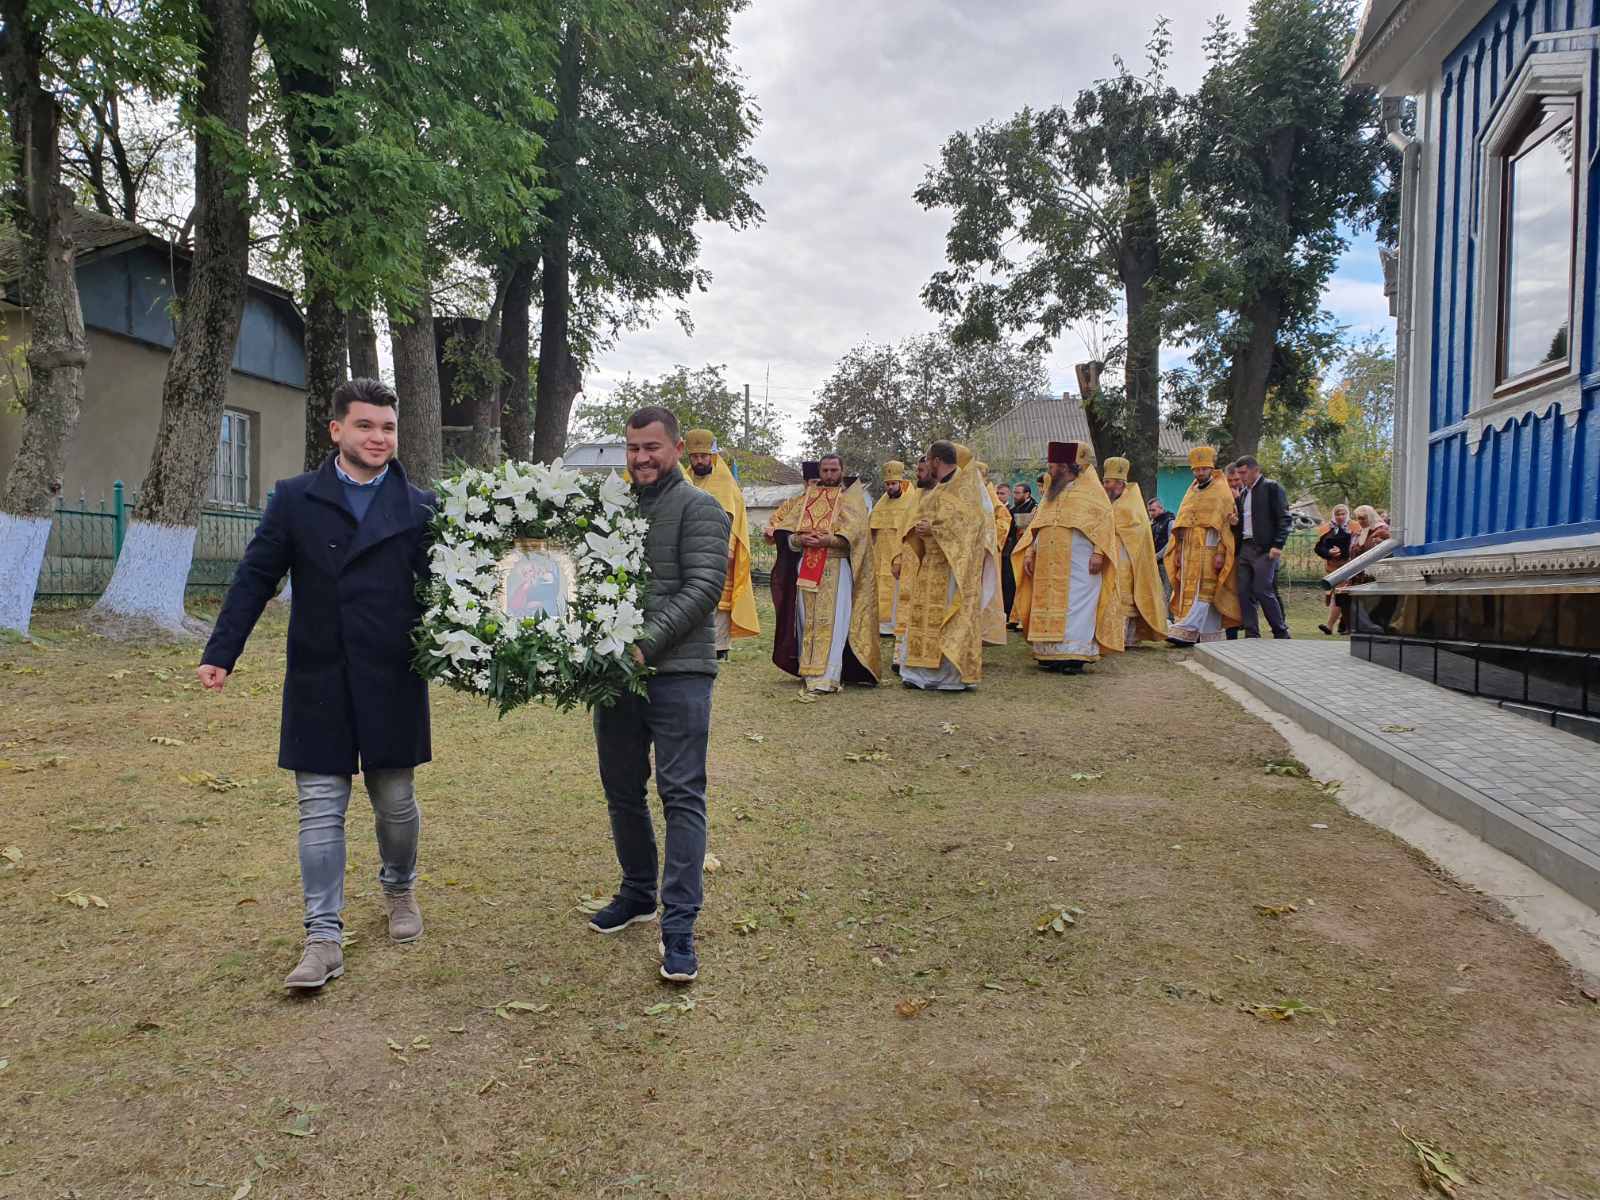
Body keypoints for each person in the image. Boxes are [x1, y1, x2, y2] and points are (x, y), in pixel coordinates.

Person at [196, 378, 437, 992]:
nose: (378, 438)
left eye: (387, 428)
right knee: (320, 808)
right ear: (336, 430)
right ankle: (322, 937)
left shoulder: (421, 507)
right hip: (319, 674)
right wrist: (222, 651)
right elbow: (256, 577)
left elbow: (449, 589)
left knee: (395, 803)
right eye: (365, 426)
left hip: (391, 677)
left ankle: (399, 888)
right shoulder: (295, 498)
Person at [587, 406, 730, 986]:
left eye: (651, 447)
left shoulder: (700, 508)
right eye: (632, 448)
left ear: (674, 448)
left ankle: (679, 925)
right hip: (618, 677)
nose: (641, 458)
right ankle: (638, 892)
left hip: (679, 674)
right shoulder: (614, 509)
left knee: (681, 795)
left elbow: (704, 586)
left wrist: (644, 646)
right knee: (622, 790)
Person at [765, 453, 881, 694]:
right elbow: (786, 533)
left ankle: (828, 677)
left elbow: (858, 537)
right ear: (819, 471)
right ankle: (809, 672)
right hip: (807, 567)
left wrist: (830, 540)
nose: (829, 475)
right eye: (825, 470)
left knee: (834, 623)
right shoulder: (807, 498)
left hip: (837, 569)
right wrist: (799, 539)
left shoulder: (852, 499)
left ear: (842, 470)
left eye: (833, 470)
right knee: (807, 620)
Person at [1010, 441, 1123, 673]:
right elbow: (1037, 526)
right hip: (1047, 561)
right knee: (1047, 602)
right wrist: (1030, 551)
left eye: (1052, 466)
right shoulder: (1052, 493)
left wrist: (1099, 553)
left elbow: (1104, 523)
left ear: (1064, 467)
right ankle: (1050, 652)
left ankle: (1074, 656)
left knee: (1076, 605)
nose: (1049, 471)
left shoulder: (1091, 492)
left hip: (1080, 561)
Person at [896, 441, 995, 690]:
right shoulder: (939, 488)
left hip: (953, 569)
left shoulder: (965, 489)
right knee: (923, 618)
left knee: (946, 618)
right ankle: (919, 673)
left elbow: (970, 529)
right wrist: (918, 530)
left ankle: (948, 676)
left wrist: (934, 530)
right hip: (930, 565)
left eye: (928, 460)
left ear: (937, 461)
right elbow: (923, 517)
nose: (926, 465)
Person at [684, 429, 759, 658]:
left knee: (716, 601)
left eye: (703, 456)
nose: (699, 461)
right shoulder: (685, 478)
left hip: (717, 550)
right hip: (688, 550)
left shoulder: (723, 481)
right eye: (694, 456)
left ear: (713, 455)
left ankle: (718, 648)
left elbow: (730, 520)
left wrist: (724, 550)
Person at [1165, 447, 1241, 645]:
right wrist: (1178, 549)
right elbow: (1181, 524)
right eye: (1196, 470)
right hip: (1188, 549)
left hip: (1209, 547)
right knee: (1190, 590)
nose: (1200, 473)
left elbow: (1225, 526)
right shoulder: (1190, 491)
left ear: (1211, 468)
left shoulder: (1222, 490)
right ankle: (1207, 633)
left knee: (1204, 589)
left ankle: (1186, 628)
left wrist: (1221, 552)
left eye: (1203, 469)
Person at [1100, 458, 1168, 646]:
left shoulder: (1131, 503)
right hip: (1110, 553)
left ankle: (1124, 637)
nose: (1104, 486)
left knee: (1124, 594)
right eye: (1104, 481)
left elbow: (1137, 530)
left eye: (1108, 482)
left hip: (1127, 556)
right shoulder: (1111, 501)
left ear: (1119, 483)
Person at [1230, 455, 1292, 639]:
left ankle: (1280, 632)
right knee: (1243, 591)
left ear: (1255, 470)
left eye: (1243, 472)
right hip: (1245, 547)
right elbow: (1246, 522)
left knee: (1262, 589)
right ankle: (1251, 633)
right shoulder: (1243, 494)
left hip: (1265, 549)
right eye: (1239, 473)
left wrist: (1278, 544)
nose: (1241, 477)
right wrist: (1235, 523)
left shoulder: (1272, 487)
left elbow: (1285, 518)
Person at [868, 460, 919, 635]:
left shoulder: (911, 501)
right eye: (887, 484)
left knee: (898, 590)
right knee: (880, 586)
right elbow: (871, 528)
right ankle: (882, 626)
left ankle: (897, 625)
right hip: (881, 553)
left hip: (899, 552)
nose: (890, 487)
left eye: (893, 484)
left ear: (901, 482)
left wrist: (903, 555)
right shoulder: (881, 504)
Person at [1314, 504, 1354, 635]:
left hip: (1348, 567)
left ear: (1347, 514)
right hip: (1332, 567)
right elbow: (1319, 548)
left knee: (1339, 596)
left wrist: (1341, 551)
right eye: (1337, 514)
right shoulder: (1327, 529)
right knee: (1337, 596)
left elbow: (1355, 547)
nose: (1340, 517)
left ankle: (1330, 626)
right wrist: (1329, 552)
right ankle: (1342, 626)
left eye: (1343, 514)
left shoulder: (1354, 527)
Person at [1147, 497, 1175, 601]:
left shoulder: (1170, 521)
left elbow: (1171, 543)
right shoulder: (1152, 523)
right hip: (1154, 564)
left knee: (1165, 595)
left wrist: (1157, 556)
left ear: (1161, 508)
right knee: (1154, 595)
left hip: (1166, 564)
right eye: (1149, 510)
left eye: (1153, 510)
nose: (1151, 513)